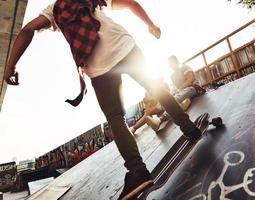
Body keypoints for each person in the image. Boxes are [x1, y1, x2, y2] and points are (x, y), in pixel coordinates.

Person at [4, 0, 205, 199]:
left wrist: (10, 66)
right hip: (124, 46)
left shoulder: (54, 9)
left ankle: (138, 172)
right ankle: (190, 129)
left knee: (116, 117)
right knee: (157, 88)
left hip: (98, 67)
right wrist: (151, 25)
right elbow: (131, 4)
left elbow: (26, 30)